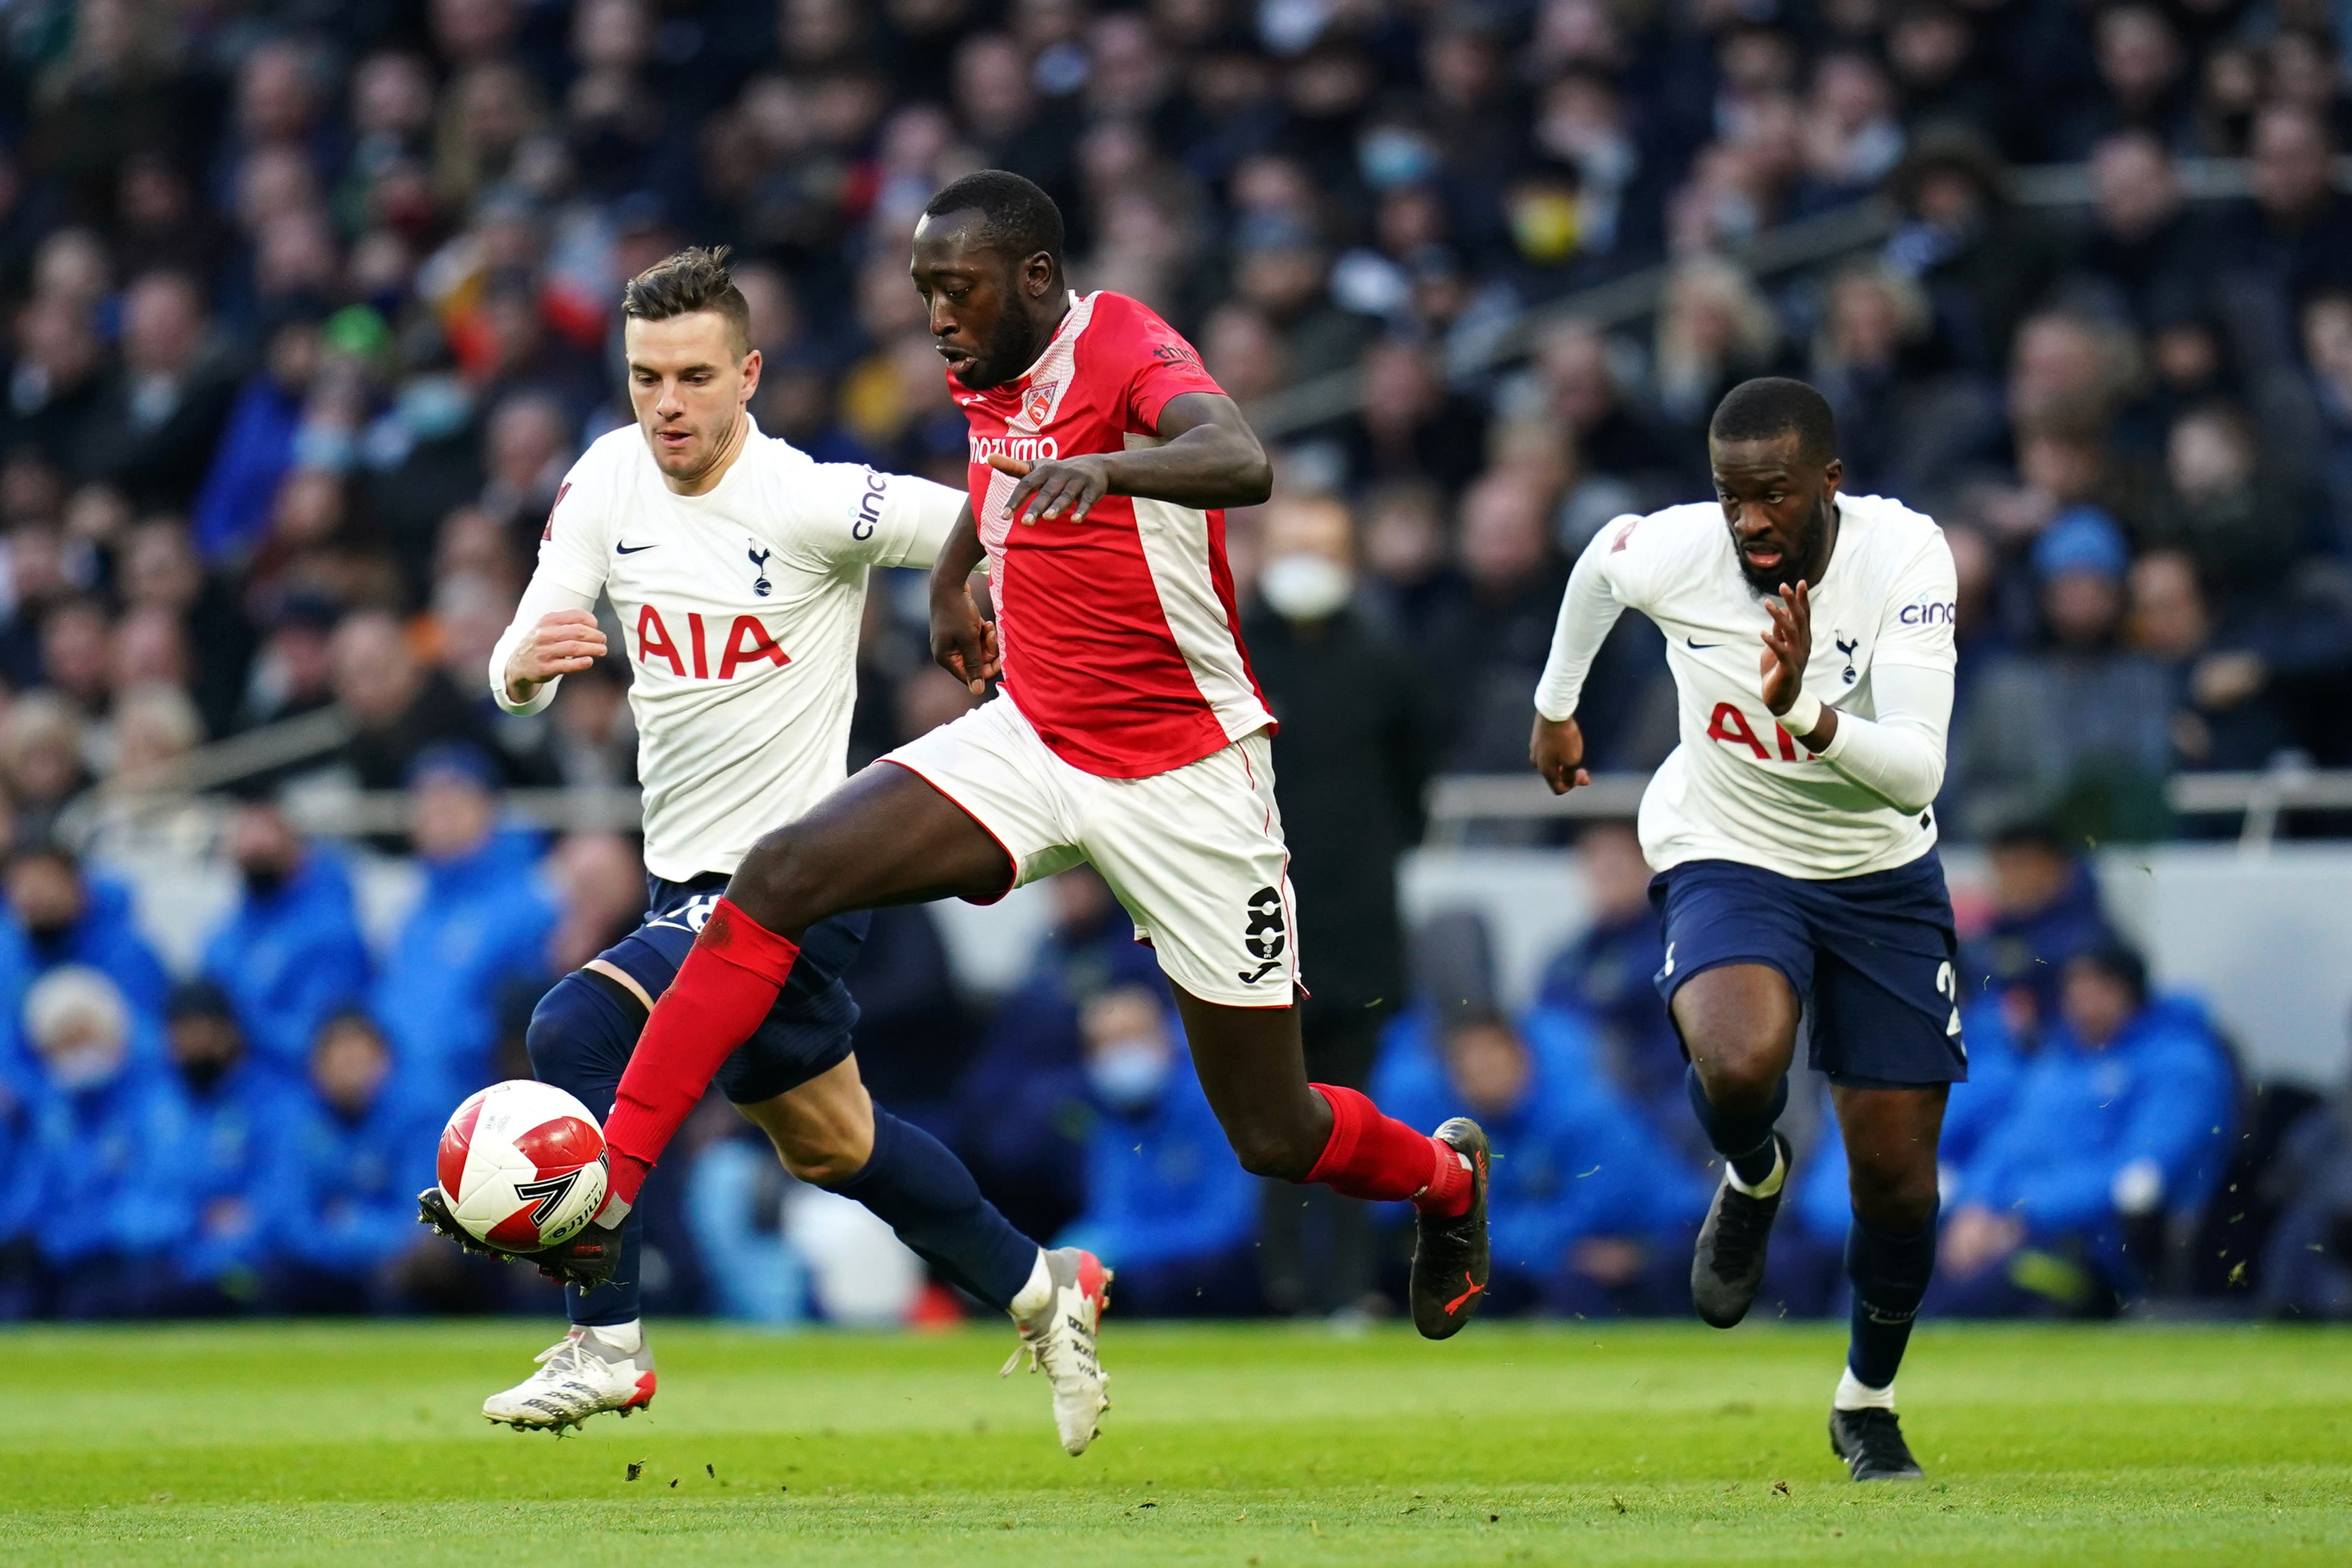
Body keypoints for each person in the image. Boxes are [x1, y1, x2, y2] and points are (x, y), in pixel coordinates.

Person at [528, 174, 1490, 1383]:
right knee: (776, 875)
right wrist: (951, 579)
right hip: (1031, 738)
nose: (936, 313)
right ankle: (610, 1185)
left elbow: (1239, 458)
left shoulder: (1124, 339)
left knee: (1273, 1128)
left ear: (1035, 278)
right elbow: (997, 476)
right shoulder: (985, 360)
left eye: (957, 289)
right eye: (925, 289)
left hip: (1184, 774)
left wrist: (1115, 471)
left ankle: (1447, 1180)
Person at [429, 246, 1092, 1450]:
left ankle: (607, 1345)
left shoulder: (807, 499)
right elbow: (533, 628)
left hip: (799, 878)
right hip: (685, 881)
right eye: (644, 378)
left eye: (691, 376)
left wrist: (976, 606)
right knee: (834, 1142)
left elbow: (987, 518)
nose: (667, 403)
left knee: (574, 1026)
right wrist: (516, 673)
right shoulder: (604, 481)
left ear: (748, 374)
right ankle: (1046, 1286)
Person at [1530, 376, 1961, 1481]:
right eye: (1731, 497)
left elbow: (1917, 769)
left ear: (1829, 481)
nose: (1750, 520)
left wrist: (1803, 711)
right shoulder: (1679, 549)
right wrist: (1555, 704)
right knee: (1737, 1059)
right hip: (1730, 847)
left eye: (1772, 494)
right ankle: (1754, 1172)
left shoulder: (1906, 560)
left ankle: (1866, 1400)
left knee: (1899, 1180)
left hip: (1880, 874)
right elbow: (1597, 567)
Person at [1242, 493, 1440, 1317]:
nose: (1306, 562)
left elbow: (1411, 794)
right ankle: (1282, 1284)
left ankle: (1352, 1283)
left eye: (1323, 547)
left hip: (1356, 928)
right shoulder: (1231, 652)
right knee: (1268, 1110)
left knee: (1356, 1108)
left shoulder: (1385, 662)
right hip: (1251, 920)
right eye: (1294, 545)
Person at [1938, 944, 2235, 1315]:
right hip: (2012, 1231)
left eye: (2098, 989)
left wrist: (2023, 1214)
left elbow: (2139, 1174)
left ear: (2131, 992)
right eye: (2074, 991)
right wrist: (1976, 1207)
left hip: (2100, 1251)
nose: (2084, 1003)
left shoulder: (2180, 1066)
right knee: (1890, 1278)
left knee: (1953, 1305)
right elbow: (2005, 1147)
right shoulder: (2056, 1065)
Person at [1058, 988, 1260, 1317]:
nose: (1121, 1054)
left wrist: (1125, 1246)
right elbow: (1111, 1212)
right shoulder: (1109, 1117)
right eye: (1105, 1044)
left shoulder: (1214, 1105)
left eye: (1132, 1038)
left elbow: (1230, 1223)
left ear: (1165, 1038)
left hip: (1222, 1276)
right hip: (1148, 1273)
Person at [197, 796, 373, 1087]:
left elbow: (323, 1038)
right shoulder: (224, 936)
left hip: (303, 1094)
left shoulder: (330, 930)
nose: (253, 845)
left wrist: (238, 1027)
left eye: (264, 833)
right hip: (232, 1094)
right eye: (244, 834)